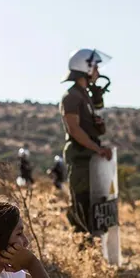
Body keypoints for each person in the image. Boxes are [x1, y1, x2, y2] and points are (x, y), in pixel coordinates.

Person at [60, 49, 113, 232]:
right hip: (81, 157)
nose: (98, 71)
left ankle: (93, 244)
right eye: (95, 66)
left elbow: (97, 128)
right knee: (82, 202)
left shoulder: (85, 96)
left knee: (95, 202)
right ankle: (82, 244)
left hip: (89, 155)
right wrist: (96, 149)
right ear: (87, 67)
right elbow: (73, 129)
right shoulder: (72, 96)